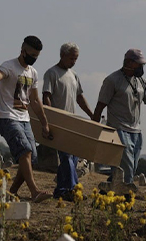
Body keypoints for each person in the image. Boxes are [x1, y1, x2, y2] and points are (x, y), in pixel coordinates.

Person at [0, 35, 51, 202]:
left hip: (24, 119)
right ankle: (34, 191)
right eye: (31, 54)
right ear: (23, 51)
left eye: (37, 56)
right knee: (24, 150)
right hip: (7, 117)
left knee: (32, 157)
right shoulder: (9, 66)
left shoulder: (33, 73)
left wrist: (44, 123)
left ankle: (13, 191)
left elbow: (35, 100)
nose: (33, 58)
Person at [92, 48, 146, 185]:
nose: (141, 67)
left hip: (136, 131)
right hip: (118, 130)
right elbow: (100, 106)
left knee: (131, 168)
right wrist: (94, 129)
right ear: (128, 62)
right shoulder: (112, 80)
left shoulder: (141, 82)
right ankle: (126, 198)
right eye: (138, 64)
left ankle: (107, 191)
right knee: (126, 168)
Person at [42, 42, 94, 201]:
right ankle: (73, 188)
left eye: (76, 59)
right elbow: (47, 97)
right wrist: (49, 120)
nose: (73, 61)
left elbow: (79, 97)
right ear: (63, 56)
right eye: (71, 58)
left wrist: (92, 115)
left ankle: (61, 190)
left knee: (73, 157)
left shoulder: (74, 75)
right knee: (65, 156)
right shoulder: (51, 73)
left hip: (72, 121)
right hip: (59, 121)